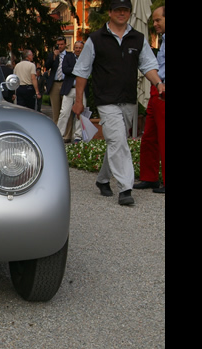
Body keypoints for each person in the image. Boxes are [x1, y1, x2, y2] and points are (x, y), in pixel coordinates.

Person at [72, 0, 164, 206]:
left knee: (117, 140)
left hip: (129, 99)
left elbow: (148, 65)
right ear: (110, 12)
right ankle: (125, 188)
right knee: (117, 141)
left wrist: (158, 83)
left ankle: (103, 179)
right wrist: (78, 101)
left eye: (125, 10)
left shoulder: (138, 38)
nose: (122, 13)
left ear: (130, 13)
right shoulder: (95, 39)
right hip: (106, 100)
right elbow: (82, 72)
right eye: (118, 10)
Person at [134, 5, 165, 194]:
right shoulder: (163, 39)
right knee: (149, 137)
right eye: (153, 20)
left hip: (163, 89)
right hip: (157, 89)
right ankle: (149, 177)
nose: (154, 24)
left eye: (158, 20)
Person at [57, 40, 86, 143]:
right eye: (76, 47)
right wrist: (78, 70)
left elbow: (87, 71)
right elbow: (65, 69)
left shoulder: (86, 59)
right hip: (69, 89)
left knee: (80, 114)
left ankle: (78, 136)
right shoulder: (68, 57)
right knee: (64, 112)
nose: (78, 49)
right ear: (74, 48)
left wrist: (75, 70)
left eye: (80, 48)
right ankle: (59, 134)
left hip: (81, 90)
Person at [45, 36, 68, 124]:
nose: (60, 46)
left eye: (62, 44)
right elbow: (47, 66)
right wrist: (54, 56)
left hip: (65, 83)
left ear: (65, 44)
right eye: (58, 44)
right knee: (55, 110)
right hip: (54, 84)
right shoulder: (52, 55)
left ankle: (66, 133)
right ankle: (57, 129)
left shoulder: (69, 55)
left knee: (65, 110)